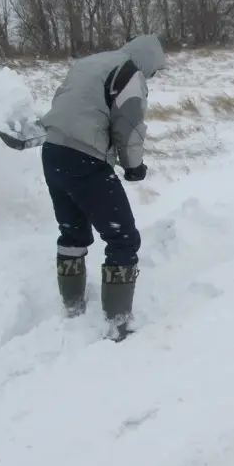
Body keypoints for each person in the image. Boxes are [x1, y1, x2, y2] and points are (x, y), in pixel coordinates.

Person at [38, 34, 166, 341]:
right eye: (153, 71)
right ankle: (119, 323)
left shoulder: (89, 63)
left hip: (52, 151)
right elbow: (130, 126)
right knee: (123, 238)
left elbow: (66, 103)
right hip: (85, 159)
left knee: (72, 231)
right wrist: (133, 167)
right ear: (147, 61)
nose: (151, 77)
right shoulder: (129, 73)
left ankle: (72, 307)